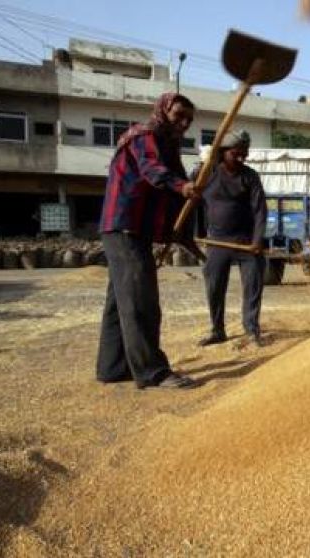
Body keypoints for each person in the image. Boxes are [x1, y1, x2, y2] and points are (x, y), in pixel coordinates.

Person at [95, 92, 199, 390]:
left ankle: (112, 368)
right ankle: (152, 372)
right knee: (141, 300)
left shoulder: (168, 145)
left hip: (131, 229)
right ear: (163, 110)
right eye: (179, 115)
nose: (184, 123)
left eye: (189, 119)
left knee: (120, 301)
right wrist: (183, 186)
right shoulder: (144, 136)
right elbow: (153, 171)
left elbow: (176, 190)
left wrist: (182, 233)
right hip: (124, 226)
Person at [195, 130, 268, 348]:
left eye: (245, 152)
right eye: (237, 152)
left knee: (253, 285)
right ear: (223, 151)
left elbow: (260, 211)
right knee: (214, 287)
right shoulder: (206, 174)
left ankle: (251, 329)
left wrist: (257, 240)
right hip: (217, 241)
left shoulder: (250, 176)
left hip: (246, 242)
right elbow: (193, 203)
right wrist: (197, 234)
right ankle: (217, 330)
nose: (242, 156)